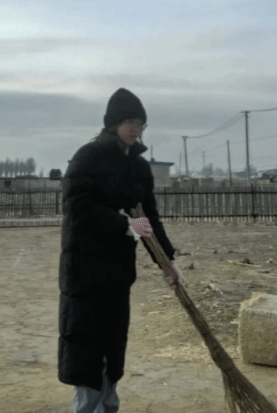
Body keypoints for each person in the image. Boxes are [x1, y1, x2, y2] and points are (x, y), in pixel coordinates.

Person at [58, 87, 184, 413]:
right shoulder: (89, 157)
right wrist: (121, 224)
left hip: (117, 272)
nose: (135, 129)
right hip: (85, 270)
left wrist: (167, 262)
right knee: (87, 347)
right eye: (130, 122)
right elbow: (76, 206)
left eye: (140, 123)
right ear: (113, 123)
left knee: (113, 346)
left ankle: (109, 406)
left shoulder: (138, 168)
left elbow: (147, 218)